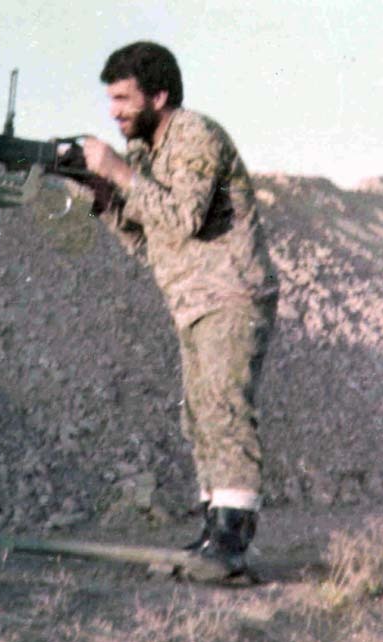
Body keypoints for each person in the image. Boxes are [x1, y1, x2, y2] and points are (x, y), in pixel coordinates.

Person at [76, 41, 279, 574]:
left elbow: (183, 217)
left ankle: (232, 543)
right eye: (111, 100)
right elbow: (149, 241)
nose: (114, 112)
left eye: (124, 99)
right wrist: (103, 195)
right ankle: (215, 533)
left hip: (230, 294)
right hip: (192, 300)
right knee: (201, 416)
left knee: (223, 409)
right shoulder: (146, 155)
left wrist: (119, 172)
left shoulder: (195, 135)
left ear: (159, 95)